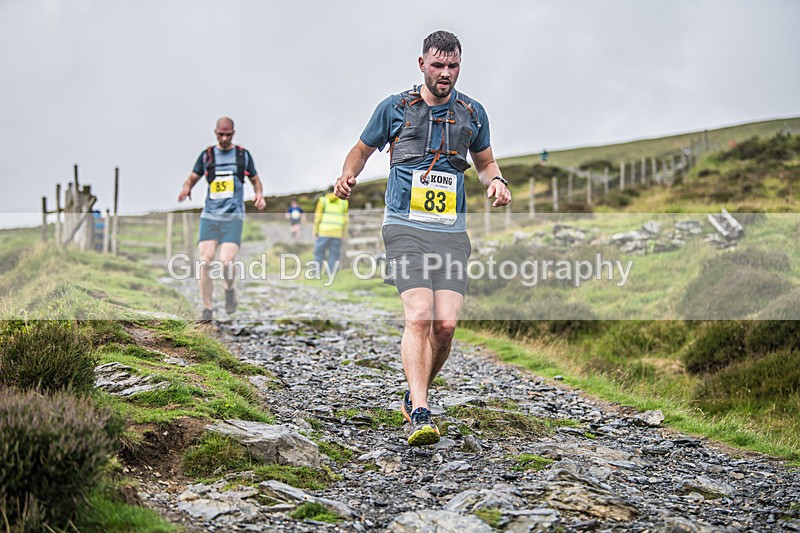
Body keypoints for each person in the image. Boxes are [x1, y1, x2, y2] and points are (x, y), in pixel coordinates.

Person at [334, 31, 511, 446]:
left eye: (452, 66)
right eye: (437, 65)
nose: (445, 73)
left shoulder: (473, 112)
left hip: (451, 231)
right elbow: (360, 149)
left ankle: (416, 394)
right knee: (419, 315)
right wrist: (348, 173)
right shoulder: (394, 108)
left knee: (445, 326)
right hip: (404, 225)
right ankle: (421, 411)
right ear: (421, 64)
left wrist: (497, 181)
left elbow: (485, 162)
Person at [178, 117, 266, 321]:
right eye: (221, 134)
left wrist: (259, 195)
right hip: (210, 217)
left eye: (228, 134)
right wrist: (186, 188)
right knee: (205, 261)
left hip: (233, 217)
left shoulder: (242, 155)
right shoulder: (207, 156)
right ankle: (207, 309)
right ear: (215, 133)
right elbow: (192, 178)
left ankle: (229, 288)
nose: (224, 138)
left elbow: (255, 181)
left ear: (233, 133)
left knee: (226, 261)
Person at [312, 187, 348, 273]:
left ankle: (315, 274)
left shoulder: (323, 200)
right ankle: (331, 274)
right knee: (334, 254)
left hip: (323, 232)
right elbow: (346, 220)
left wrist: (315, 231)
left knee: (319, 253)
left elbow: (317, 217)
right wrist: (344, 233)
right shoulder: (344, 202)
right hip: (337, 232)